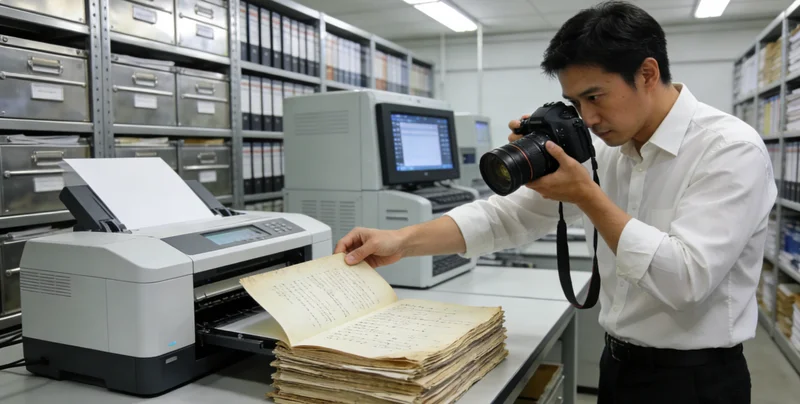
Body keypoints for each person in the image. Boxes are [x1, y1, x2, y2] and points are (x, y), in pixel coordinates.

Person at [334, 1, 775, 403]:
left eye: (595, 97)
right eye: (575, 101)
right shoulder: (605, 145)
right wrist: (400, 240)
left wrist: (587, 194)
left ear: (647, 73)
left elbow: (686, 279)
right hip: (618, 366)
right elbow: (506, 217)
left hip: (696, 382)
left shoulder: (729, 149)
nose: (587, 118)